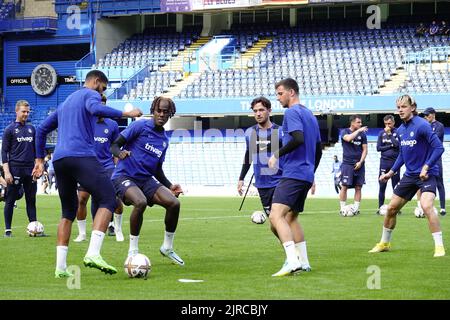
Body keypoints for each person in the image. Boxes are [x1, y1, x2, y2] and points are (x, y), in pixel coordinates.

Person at [33, 70, 142, 278]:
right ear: (96, 81)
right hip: (81, 156)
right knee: (109, 198)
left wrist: (39, 160)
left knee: (68, 212)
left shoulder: (65, 103)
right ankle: (93, 253)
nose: (102, 94)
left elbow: (41, 130)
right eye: (103, 88)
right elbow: (94, 107)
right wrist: (127, 114)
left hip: (59, 160)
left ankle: (60, 268)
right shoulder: (90, 94)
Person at [110, 96, 184, 266]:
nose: (162, 114)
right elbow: (114, 145)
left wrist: (170, 185)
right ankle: (132, 252)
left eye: (166, 112)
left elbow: (157, 169)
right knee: (140, 202)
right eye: (159, 110)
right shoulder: (139, 126)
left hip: (145, 180)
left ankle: (167, 247)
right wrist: (120, 153)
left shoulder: (164, 141)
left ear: (170, 114)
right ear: (153, 111)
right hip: (124, 176)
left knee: (174, 203)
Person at [369, 94, 445, 258]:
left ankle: (439, 247)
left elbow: (439, 148)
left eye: (403, 106)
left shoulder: (422, 125)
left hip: (427, 174)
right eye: (398, 107)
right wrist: (390, 173)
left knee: (426, 206)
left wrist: (426, 167)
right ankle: (384, 243)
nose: (400, 110)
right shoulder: (401, 130)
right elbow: (402, 156)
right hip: (410, 176)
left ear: (412, 107)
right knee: (391, 209)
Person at [267, 78, 322, 277]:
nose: (278, 98)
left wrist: (276, 154)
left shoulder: (291, 112)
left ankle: (292, 261)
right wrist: (312, 172)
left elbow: (298, 139)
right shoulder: (310, 115)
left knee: (275, 216)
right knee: (291, 218)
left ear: (292, 93)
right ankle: (304, 262)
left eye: (280, 93)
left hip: (294, 173)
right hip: (305, 174)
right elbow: (318, 149)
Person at [73, 94, 124, 242]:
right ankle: (82, 233)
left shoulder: (112, 125)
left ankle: (118, 228)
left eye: (102, 105)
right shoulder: (85, 123)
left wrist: (117, 168)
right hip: (87, 166)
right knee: (81, 199)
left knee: (115, 198)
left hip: (107, 167)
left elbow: (115, 147)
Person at [237, 96, 282, 224]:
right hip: (262, 184)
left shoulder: (280, 132)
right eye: (255, 111)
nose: (258, 113)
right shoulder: (249, 133)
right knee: (274, 223)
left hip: (280, 182)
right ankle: (288, 244)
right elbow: (248, 156)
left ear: (269, 111)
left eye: (261, 110)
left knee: (281, 219)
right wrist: (241, 178)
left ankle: (292, 244)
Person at [1, 100, 38, 237]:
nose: (26, 114)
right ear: (17, 111)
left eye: (28, 112)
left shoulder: (32, 129)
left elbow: (35, 151)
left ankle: (34, 228)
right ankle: (8, 230)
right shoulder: (9, 130)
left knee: (31, 200)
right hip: (15, 169)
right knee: (10, 199)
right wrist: (7, 172)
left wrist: (37, 168)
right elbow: (4, 152)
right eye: (23, 111)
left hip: (30, 170)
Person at [339, 115, 368, 215]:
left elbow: (365, 150)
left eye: (361, 122)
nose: (360, 124)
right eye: (358, 122)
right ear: (352, 123)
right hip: (347, 163)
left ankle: (356, 208)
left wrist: (361, 162)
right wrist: (359, 131)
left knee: (358, 187)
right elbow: (348, 139)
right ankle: (342, 208)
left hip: (359, 164)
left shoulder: (363, 135)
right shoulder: (344, 132)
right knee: (344, 186)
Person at [421, 107, 446, 216]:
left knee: (439, 182)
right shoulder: (425, 126)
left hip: (436, 158)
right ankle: (424, 206)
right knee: (425, 182)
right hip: (425, 158)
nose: (426, 117)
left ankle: (443, 207)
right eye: (425, 116)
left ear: (433, 114)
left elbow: (434, 139)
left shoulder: (439, 126)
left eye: (427, 115)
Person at [376, 115, 400, 214]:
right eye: (386, 124)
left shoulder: (397, 132)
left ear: (393, 123)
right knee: (382, 186)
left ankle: (396, 208)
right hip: (384, 162)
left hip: (395, 163)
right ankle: (380, 207)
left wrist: (389, 134)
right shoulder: (381, 133)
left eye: (389, 123)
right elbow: (378, 148)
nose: (387, 125)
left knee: (396, 187)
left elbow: (397, 145)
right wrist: (390, 145)